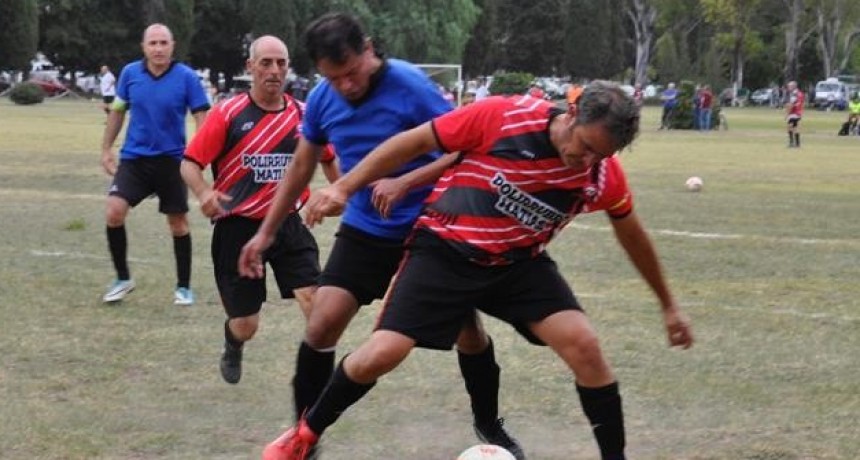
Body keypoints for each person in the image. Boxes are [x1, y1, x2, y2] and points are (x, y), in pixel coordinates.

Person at [264, 81, 695, 460]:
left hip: (517, 263)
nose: (586, 160)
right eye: (584, 145)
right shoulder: (504, 116)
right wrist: (344, 186)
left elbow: (632, 235)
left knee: (584, 344)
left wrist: (669, 306)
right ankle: (304, 436)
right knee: (383, 353)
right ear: (571, 115)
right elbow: (415, 141)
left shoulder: (600, 175)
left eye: (600, 154)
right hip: (445, 251)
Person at [238, 13, 524, 459]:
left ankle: (489, 424)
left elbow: (463, 148)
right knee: (322, 323)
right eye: (334, 78)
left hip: (430, 229)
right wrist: (265, 233)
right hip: (366, 228)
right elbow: (301, 166)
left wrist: (405, 181)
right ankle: (303, 438)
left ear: (368, 49)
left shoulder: (410, 85)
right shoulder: (323, 99)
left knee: (467, 331)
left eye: (352, 72)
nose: (346, 85)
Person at [181, 36, 338, 384]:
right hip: (238, 230)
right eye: (266, 63)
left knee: (316, 304)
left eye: (281, 63)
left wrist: (338, 192)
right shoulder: (228, 113)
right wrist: (204, 192)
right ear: (250, 66)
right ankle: (233, 341)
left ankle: (320, 383)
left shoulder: (304, 115)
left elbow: (330, 159)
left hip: (288, 224)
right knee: (246, 324)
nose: (274, 70)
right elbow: (189, 163)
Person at [99, 23, 210, 305]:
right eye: (153, 43)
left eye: (163, 43)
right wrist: (106, 148)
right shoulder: (130, 74)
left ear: (172, 46)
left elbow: (201, 117)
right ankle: (123, 279)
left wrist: (199, 155)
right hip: (134, 159)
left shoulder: (186, 77)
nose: (158, 48)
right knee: (114, 211)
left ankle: (183, 287)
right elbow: (118, 111)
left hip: (172, 161)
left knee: (178, 224)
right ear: (144, 47)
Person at [785, 81, 804, 148]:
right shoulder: (799, 93)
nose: (788, 88)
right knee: (795, 128)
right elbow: (800, 103)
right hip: (798, 113)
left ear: (793, 86)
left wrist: (787, 114)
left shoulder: (794, 94)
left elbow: (791, 105)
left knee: (790, 127)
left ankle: (792, 143)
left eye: (789, 86)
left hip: (793, 113)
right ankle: (797, 144)